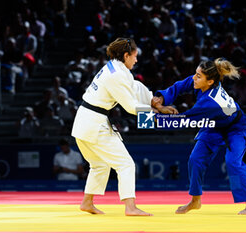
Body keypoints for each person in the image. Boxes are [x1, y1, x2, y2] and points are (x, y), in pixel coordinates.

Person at [71, 37, 175, 216]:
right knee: (125, 164)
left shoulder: (115, 68)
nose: (136, 60)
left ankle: (87, 203)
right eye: (134, 56)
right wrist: (155, 116)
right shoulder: (116, 75)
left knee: (99, 164)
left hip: (85, 122)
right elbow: (130, 107)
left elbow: (134, 87)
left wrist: (154, 102)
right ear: (126, 55)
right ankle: (130, 207)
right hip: (94, 124)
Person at [152, 58, 246, 215]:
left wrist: (154, 118)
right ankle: (195, 200)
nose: (194, 78)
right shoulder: (200, 82)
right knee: (195, 159)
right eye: (195, 74)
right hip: (214, 124)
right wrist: (161, 99)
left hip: (236, 127)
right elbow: (179, 86)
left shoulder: (210, 102)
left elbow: (184, 121)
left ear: (210, 81)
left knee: (233, 162)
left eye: (198, 76)